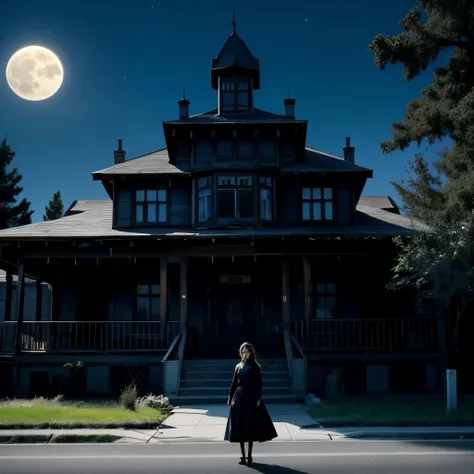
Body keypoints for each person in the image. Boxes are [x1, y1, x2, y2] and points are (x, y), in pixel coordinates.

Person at [224, 342, 278, 465]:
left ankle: (249, 456)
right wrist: (230, 398)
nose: (245, 354)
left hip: (251, 397)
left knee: (250, 428)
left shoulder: (255, 366)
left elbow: (259, 384)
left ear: (251, 352)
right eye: (243, 351)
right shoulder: (238, 366)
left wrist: (258, 398)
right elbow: (234, 384)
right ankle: (242, 456)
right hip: (239, 398)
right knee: (240, 427)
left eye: (247, 351)